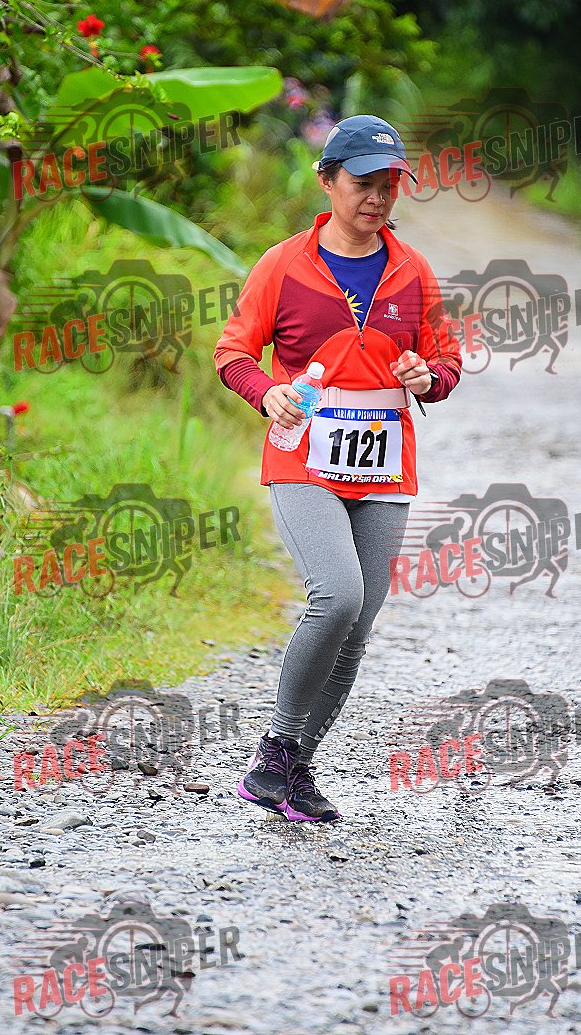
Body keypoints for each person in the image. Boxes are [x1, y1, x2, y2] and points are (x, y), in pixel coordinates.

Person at [214, 114, 462, 822]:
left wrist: (427, 378)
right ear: (328, 181)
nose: (377, 198)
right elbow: (233, 353)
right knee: (339, 595)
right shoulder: (283, 265)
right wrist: (268, 393)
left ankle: (294, 772)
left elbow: (446, 361)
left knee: (357, 630)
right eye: (363, 183)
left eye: (389, 185)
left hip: (384, 468)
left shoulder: (413, 270)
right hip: (303, 458)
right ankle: (276, 745)